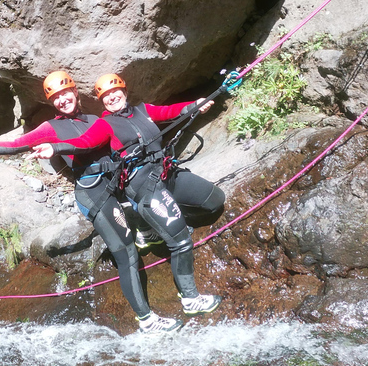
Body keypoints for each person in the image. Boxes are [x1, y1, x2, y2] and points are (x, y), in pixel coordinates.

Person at [0, 71, 183, 333]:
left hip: (114, 185)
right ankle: (147, 321)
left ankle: (142, 229)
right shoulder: (51, 128)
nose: (62, 100)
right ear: (53, 103)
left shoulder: (97, 119)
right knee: (127, 253)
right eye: (56, 98)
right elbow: (15, 145)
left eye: (65, 94)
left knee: (144, 197)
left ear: (75, 93)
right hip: (93, 194)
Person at [31, 73, 226, 318]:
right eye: (105, 96)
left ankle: (154, 223)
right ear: (101, 101)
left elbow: (169, 112)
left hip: (166, 171)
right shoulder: (104, 123)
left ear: (125, 92)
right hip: (143, 183)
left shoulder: (143, 110)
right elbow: (84, 143)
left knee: (214, 199)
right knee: (179, 240)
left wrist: (193, 106)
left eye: (115, 92)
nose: (111, 97)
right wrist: (55, 147)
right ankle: (190, 299)